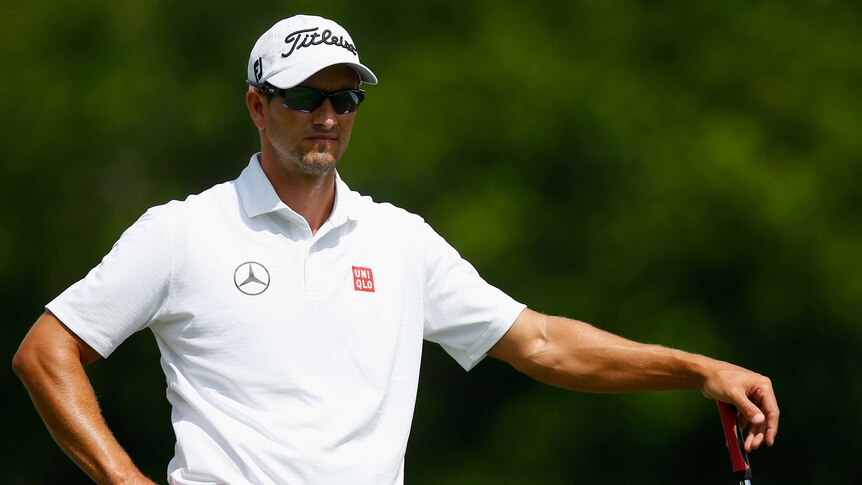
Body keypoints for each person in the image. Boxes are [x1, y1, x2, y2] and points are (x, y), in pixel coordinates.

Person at [12, 14, 778, 485]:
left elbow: (541, 342)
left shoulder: (400, 240)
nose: (328, 116)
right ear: (257, 105)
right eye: (306, 96)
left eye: (345, 98)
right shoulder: (183, 230)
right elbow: (46, 352)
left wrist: (697, 368)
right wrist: (124, 479)